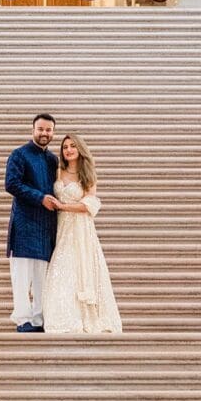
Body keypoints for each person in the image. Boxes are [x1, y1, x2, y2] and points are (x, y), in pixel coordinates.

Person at [42, 133, 122, 334]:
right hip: (61, 227)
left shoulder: (88, 174)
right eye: (65, 147)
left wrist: (63, 206)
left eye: (72, 146)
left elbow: (90, 204)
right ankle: (63, 315)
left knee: (81, 266)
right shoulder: (57, 172)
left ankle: (87, 316)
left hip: (81, 228)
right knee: (62, 267)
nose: (68, 150)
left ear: (80, 150)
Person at [5, 114, 59, 333]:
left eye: (48, 130)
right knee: (22, 276)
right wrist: (40, 198)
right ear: (33, 130)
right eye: (40, 129)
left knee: (41, 278)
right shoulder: (19, 154)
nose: (44, 133)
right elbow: (11, 184)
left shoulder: (53, 159)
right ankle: (23, 319)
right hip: (25, 225)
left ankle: (38, 318)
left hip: (46, 227)